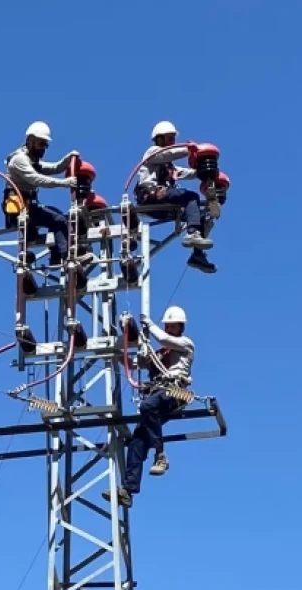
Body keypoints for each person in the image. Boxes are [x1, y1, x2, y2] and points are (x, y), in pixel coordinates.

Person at [103, 305, 195, 508]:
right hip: (158, 396)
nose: (170, 329)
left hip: (174, 392)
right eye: (168, 326)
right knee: (138, 441)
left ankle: (160, 454)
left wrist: (150, 325)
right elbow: (130, 363)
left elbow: (164, 339)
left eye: (173, 326)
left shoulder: (186, 345)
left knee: (146, 407)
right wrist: (121, 340)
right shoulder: (159, 354)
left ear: (180, 328)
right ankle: (128, 490)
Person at [4, 121, 94, 267]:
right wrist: (64, 183)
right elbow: (37, 179)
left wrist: (67, 159)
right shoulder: (19, 160)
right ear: (30, 141)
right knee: (57, 219)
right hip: (19, 210)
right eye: (40, 144)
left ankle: (56, 256)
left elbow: (53, 168)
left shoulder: (32, 161)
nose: (43, 149)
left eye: (45, 145)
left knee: (59, 216)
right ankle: (68, 257)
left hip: (28, 208)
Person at [134, 121, 216, 274]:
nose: (173, 143)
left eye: (173, 139)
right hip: (151, 196)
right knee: (191, 197)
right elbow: (167, 153)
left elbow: (187, 173)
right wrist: (188, 150)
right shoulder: (152, 153)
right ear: (159, 140)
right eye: (170, 139)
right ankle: (192, 233)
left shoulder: (169, 167)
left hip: (164, 204)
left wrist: (206, 171)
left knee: (201, 215)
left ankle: (197, 255)